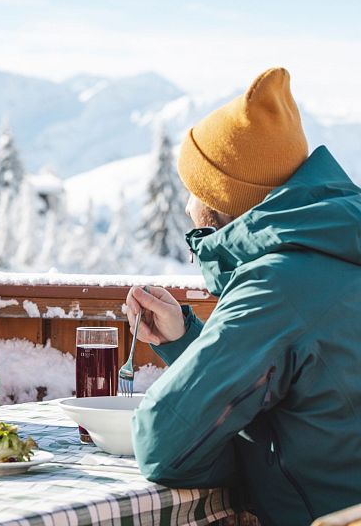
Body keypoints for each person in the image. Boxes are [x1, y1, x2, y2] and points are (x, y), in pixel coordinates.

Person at [125, 68, 361, 526]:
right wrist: (183, 340)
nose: (189, 205)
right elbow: (302, 404)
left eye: (193, 190)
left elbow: (162, 443)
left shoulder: (277, 286)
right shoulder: (334, 251)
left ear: (218, 198)